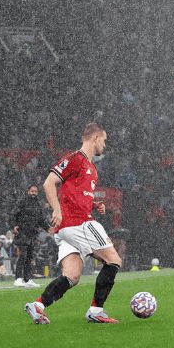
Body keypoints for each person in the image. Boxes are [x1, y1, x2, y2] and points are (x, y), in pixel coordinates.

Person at [25, 123, 123, 325]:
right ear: (95, 138)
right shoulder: (75, 158)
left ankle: (38, 305)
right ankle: (96, 310)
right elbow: (49, 182)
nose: (105, 145)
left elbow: (77, 194)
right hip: (77, 222)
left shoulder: (91, 168)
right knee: (114, 260)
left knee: (72, 276)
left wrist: (94, 205)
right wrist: (57, 210)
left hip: (69, 227)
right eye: (104, 140)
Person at [12, 184, 47, 288]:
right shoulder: (22, 201)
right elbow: (14, 214)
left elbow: (41, 219)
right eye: (32, 191)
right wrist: (14, 225)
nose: (34, 193)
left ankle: (27, 279)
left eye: (36, 191)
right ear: (28, 191)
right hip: (22, 231)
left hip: (32, 234)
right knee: (22, 255)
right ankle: (18, 278)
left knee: (30, 257)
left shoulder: (37, 204)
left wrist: (48, 228)